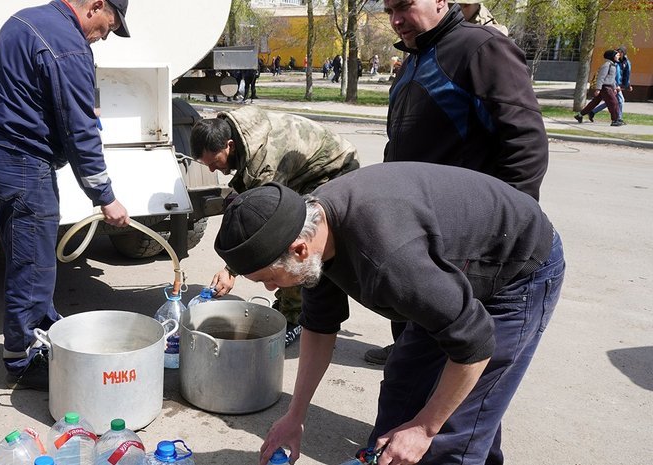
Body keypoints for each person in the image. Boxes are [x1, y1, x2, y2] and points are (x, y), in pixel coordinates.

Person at [212, 164, 564, 465]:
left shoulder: (389, 261)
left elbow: (474, 344)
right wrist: (296, 415)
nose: (271, 289)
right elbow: (319, 329)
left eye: (269, 279)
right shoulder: (311, 234)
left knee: (454, 433)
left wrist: (425, 428)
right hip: (445, 277)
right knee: (402, 394)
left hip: (517, 269)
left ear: (300, 249)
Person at [364, 0, 549, 365]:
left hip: (462, 232)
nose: (396, 20)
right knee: (412, 323)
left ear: (440, 1)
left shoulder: (480, 48)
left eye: (404, 6)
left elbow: (526, 146)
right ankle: (405, 350)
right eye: (389, 11)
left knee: (450, 354)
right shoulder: (412, 62)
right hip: (413, 224)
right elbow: (400, 144)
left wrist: (506, 234)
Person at [0, 0, 131, 391]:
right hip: (23, 161)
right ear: (95, 5)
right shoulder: (69, 44)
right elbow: (81, 133)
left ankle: (43, 330)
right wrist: (105, 197)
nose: (102, 38)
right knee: (35, 263)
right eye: (106, 28)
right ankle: (23, 358)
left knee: (26, 253)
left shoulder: (24, 19)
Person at [189, 106, 359, 346]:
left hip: (334, 170)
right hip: (302, 169)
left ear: (229, 145)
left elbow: (269, 228)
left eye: (215, 162)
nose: (212, 170)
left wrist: (231, 270)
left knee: (286, 250)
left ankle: (295, 318)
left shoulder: (264, 164)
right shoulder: (235, 129)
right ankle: (288, 305)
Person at [575, 49, 624, 126]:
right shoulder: (607, 65)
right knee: (613, 103)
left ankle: (579, 115)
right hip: (605, 88)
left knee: (594, 103)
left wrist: (614, 87)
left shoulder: (613, 65)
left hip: (608, 87)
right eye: (616, 55)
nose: (618, 56)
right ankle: (615, 120)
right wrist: (598, 89)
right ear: (611, 56)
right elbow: (601, 77)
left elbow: (612, 79)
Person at [588, 46, 632, 123]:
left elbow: (627, 74)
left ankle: (592, 112)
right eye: (618, 52)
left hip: (617, 84)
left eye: (621, 52)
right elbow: (613, 75)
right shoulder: (614, 62)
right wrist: (616, 85)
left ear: (624, 53)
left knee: (611, 101)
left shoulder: (626, 62)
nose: (619, 54)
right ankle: (618, 118)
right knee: (620, 100)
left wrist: (627, 84)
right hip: (612, 84)